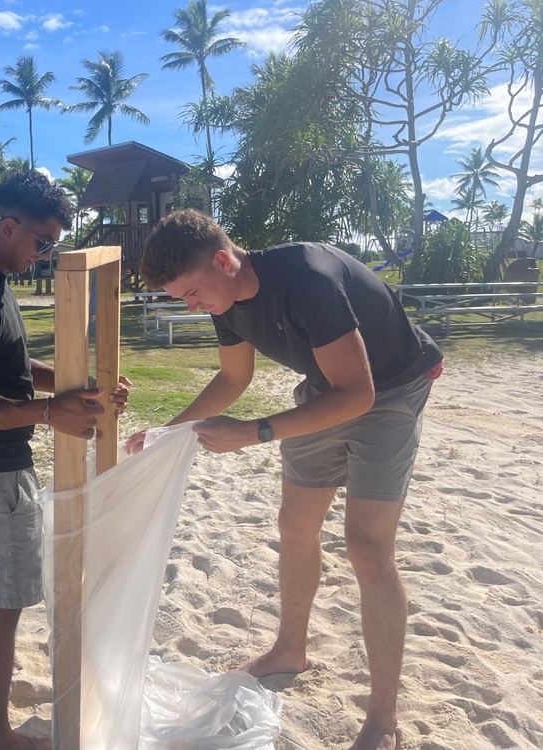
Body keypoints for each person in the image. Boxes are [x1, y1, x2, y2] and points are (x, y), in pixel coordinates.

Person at [127, 209, 442, 750]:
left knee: (367, 547)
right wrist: (167, 431)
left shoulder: (308, 280)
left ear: (223, 262)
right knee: (296, 528)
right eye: (183, 298)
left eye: (192, 293)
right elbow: (234, 376)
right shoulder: (226, 298)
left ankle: (382, 718)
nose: (192, 305)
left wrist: (256, 432)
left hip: (390, 390)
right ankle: (289, 649)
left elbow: (360, 395)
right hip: (327, 390)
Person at [0, 170, 130, 750]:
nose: (45, 254)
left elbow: (13, 369)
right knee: (4, 602)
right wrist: (48, 414)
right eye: (42, 242)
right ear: (7, 225)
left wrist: (79, 387)